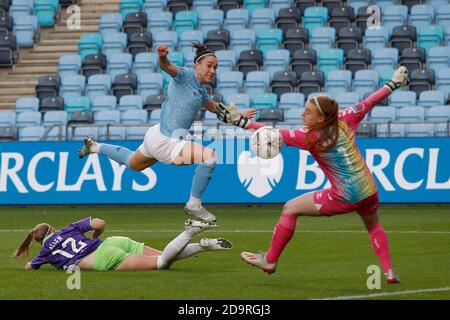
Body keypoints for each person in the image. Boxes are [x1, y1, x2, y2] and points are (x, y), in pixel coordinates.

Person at [218, 66, 410, 284]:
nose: (302, 113)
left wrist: (240, 122)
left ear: (320, 118)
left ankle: (270, 260)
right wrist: (393, 84)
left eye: (308, 112)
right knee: (374, 226)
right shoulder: (346, 118)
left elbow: (270, 133)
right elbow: (370, 101)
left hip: (344, 196)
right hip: (369, 191)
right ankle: (389, 272)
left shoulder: (309, 137)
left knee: (290, 208)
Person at [78, 43, 255, 224]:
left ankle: (95, 147)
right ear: (197, 64)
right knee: (209, 157)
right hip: (167, 141)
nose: (213, 70)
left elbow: (214, 108)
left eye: (215, 67)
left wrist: (237, 115)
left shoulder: (201, 91)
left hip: (155, 134)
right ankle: (194, 204)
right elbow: (166, 67)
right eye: (209, 65)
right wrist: (162, 56)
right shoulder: (185, 75)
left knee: (133, 163)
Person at [14, 217, 232, 271]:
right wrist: (95, 238)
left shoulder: (45, 251)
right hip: (112, 242)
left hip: (101, 259)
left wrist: (38, 261)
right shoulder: (69, 227)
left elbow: (29, 267)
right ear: (52, 228)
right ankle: (203, 245)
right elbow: (99, 222)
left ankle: (191, 231)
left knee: (163, 262)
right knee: (168, 256)